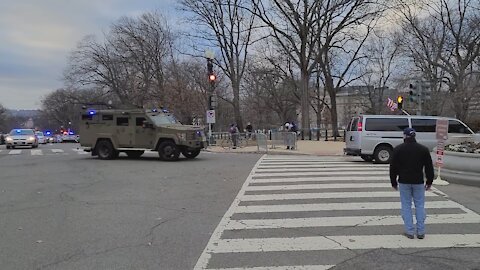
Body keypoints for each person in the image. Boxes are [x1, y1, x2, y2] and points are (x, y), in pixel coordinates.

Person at [390, 127, 434, 240]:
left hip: (404, 180)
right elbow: (429, 167)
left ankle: (409, 231)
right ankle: (421, 231)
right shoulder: (423, 149)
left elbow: (393, 167)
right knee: (419, 205)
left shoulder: (398, 149)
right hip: (418, 181)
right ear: (414, 136)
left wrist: (393, 182)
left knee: (406, 205)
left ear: (405, 136)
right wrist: (429, 181)